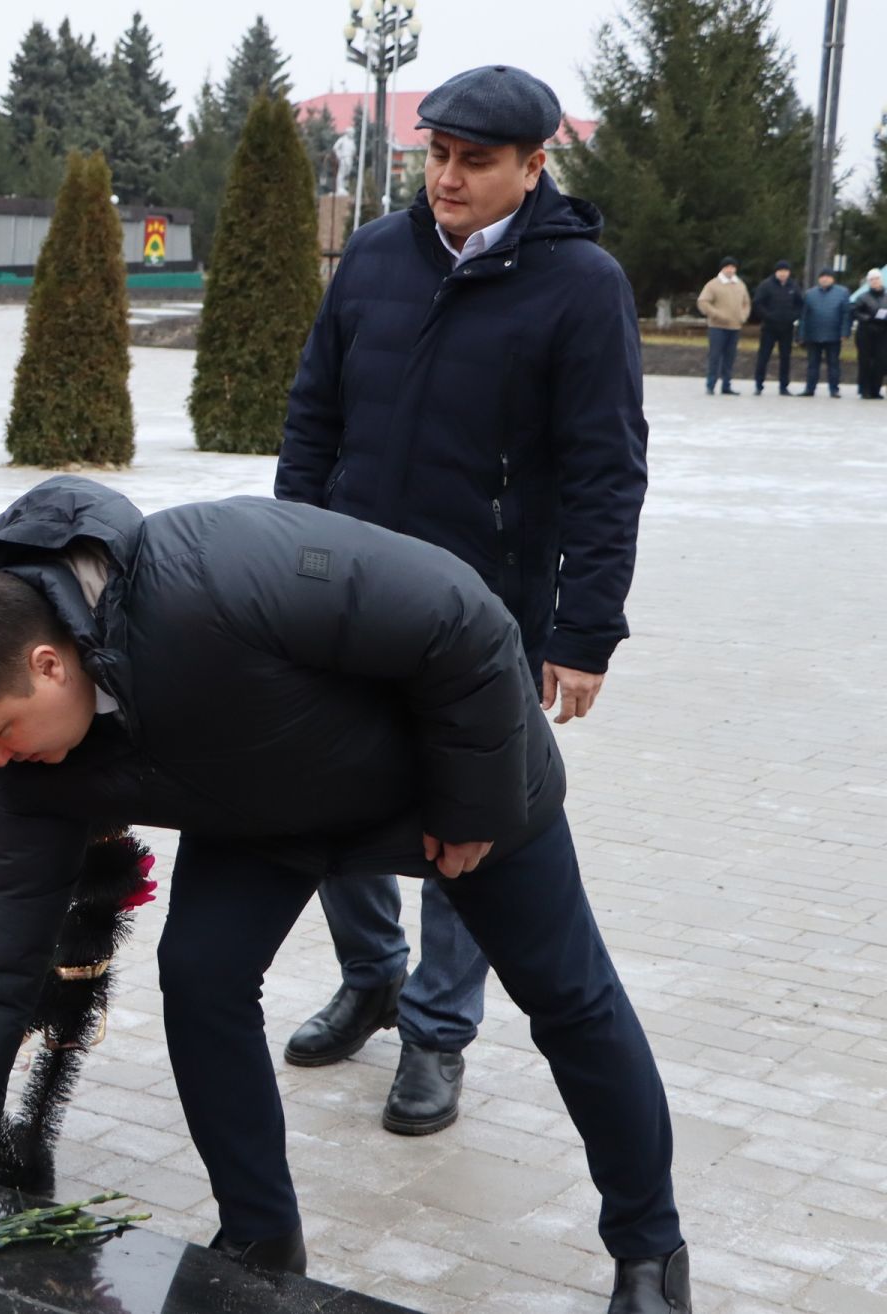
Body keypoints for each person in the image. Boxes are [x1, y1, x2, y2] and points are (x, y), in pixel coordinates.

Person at [0, 478, 690, 1314]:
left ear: (48, 665)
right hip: (262, 808)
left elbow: (459, 615)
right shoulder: (25, 757)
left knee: (569, 997)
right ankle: (260, 1238)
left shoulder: (216, 575)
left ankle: (650, 1253)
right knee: (201, 976)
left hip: (446, 782)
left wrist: (471, 803)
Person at [275, 65, 648, 1139]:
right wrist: (290, 552)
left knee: (466, 820)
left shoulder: (582, 287)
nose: (446, 177)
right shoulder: (379, 259)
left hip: (487, 615)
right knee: (337, 798)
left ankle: (437, 1034)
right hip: (345, 596)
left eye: (475, 161)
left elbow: (605, 471)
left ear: (535, 167)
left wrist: (585, 630)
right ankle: (372, 978)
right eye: (436, 154)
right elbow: (314, 420)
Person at [697, 256, 750, 395]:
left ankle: (726, 385)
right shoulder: (713, 284)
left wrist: (743, 316)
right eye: (727, 267)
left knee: (730, 357)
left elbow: (746, 303)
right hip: (717, 327)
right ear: (722, 268)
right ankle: (711, 384)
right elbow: (703, 302)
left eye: (733, 267)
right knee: (715, 357)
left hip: (735, 327)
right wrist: (716, 314)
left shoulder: (740, 284)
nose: (730, 270)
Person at [751, 259, 803, 395]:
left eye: (785, 271)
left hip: (786, 328)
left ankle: (784, 386)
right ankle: (759, 384)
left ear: (789, 272)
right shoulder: (766, 285)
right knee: (764, 356)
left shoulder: (793, 286)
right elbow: (757, 303)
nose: (783, 274)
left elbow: (800, 304)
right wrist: (768, 316)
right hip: (769, 327)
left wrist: (793, 316)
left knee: (785, 357)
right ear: (776, 272)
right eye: (780, 271)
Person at [799, 268, 852, 398]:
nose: (825, 279)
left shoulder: (842, 293)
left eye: (828, 277)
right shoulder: (810, 294)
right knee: (812, 364)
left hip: (834, 335)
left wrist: (845, 332)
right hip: (813, 335)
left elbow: (846, 314)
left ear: (832, 279)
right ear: (819, 279)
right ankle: (810, 388)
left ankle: (834, 389)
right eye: (822, 277)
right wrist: (801, 334)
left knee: (833, 364)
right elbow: (803, 316)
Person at [852, 269, 886, 400]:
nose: (875, 282)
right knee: (865, 361)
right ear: (868, 282)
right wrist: (868, 318)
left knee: (880, 362)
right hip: (866, 333)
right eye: (872, 280)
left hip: (883, 333)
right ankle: (864, 389)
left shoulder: (886, 296)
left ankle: (876, 389)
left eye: (877, 279)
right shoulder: (862, 297)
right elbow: (855, 312)